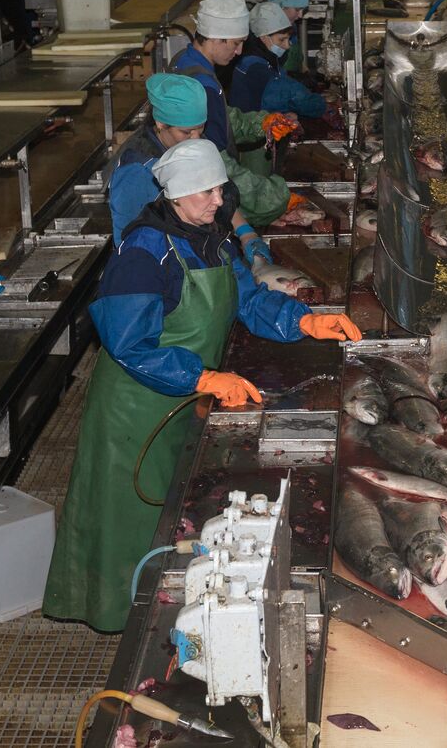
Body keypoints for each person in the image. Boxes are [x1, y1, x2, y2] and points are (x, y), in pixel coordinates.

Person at [43, 140, 362, 632]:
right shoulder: (143, 253)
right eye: (207, 192)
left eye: (220, 188)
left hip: (183, 397)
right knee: (124, 520)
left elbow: (248, 299)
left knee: (171, 513)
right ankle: (119, 617)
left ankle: (170, 609)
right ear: (174, 195)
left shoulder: (207, 234)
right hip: (134, 405)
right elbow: (131, 345)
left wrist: (304, 322)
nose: (219, 201)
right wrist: (202, 376)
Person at [106, 74, 273, 269]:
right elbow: (137, 247)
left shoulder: (185, 143)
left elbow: (213, 191)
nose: (195, 138)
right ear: (160, 124)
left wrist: (246, 233)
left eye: (200, 129)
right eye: (186, 132)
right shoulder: (137, 172)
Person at [171, 0, 301, 227]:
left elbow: (222, 118)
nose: (240, 51)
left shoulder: (187, 62)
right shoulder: (203, 85)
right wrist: (274, 198)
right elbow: (218, 168)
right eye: (235, 43)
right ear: (215, 39)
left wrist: (262, 122)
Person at [231, 2, 329, 119]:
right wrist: (324, 104)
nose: (287, 46)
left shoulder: (256, 58)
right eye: (281, 40)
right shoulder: (256, 68)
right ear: (264, 37)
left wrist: (297, 78)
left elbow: (278, 77)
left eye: (288, 39)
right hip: (255, 134)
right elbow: (291, 96)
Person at [268, 0, 310, 74]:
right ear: (282, 5)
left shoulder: (291, 26)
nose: (300, 15)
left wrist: (303, 67)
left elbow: (294, 48)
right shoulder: (266, 28)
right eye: (297, 10)